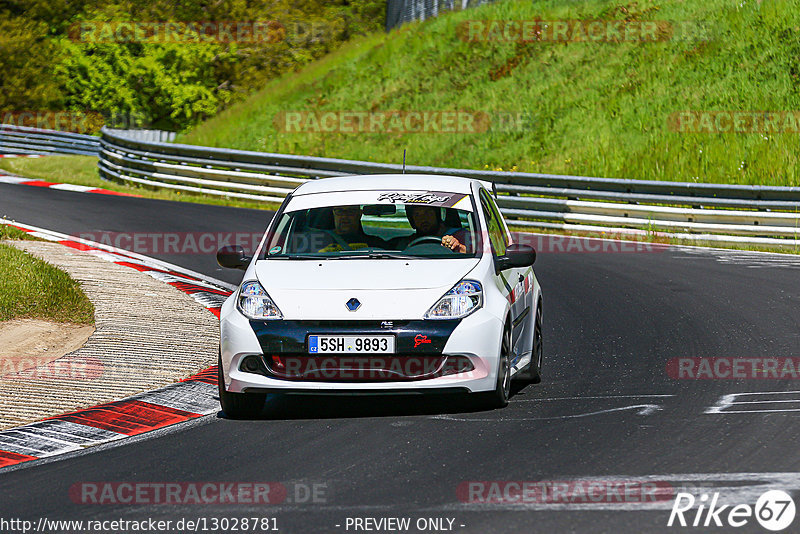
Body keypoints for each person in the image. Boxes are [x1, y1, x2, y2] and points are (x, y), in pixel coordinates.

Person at [396, 205, 469, 253]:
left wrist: (458, 246)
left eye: (428, 212)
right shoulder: (406, 243)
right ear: (411, 220)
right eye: (417, 214)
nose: (423, 218)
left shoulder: (461, 235)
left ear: (437, 215)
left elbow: (476, 255)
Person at [315, 205, 388, 252]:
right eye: (339, 211)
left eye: (351, 211)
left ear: (359, 214)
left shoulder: (374, 243)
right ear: (333, 213)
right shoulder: (316, 241)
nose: (344, 216)